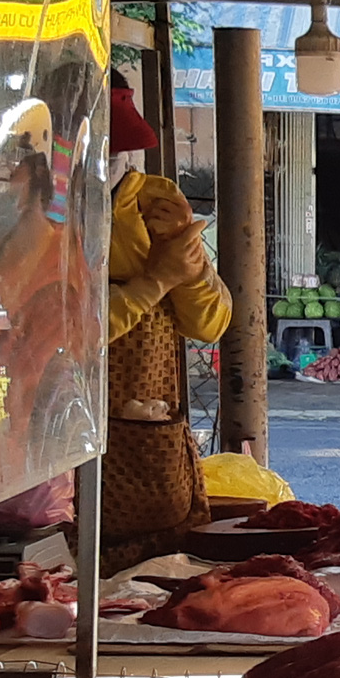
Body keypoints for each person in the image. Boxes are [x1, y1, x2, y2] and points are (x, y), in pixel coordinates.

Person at [100, 70, 233, 572]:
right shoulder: (35, 211)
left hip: (141, 433)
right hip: (51, 450)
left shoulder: (151, 204)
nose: (115, 163)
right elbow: (65, 335)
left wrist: (188, 266)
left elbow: (211, 324)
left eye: (120, 151)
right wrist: (152, 282)